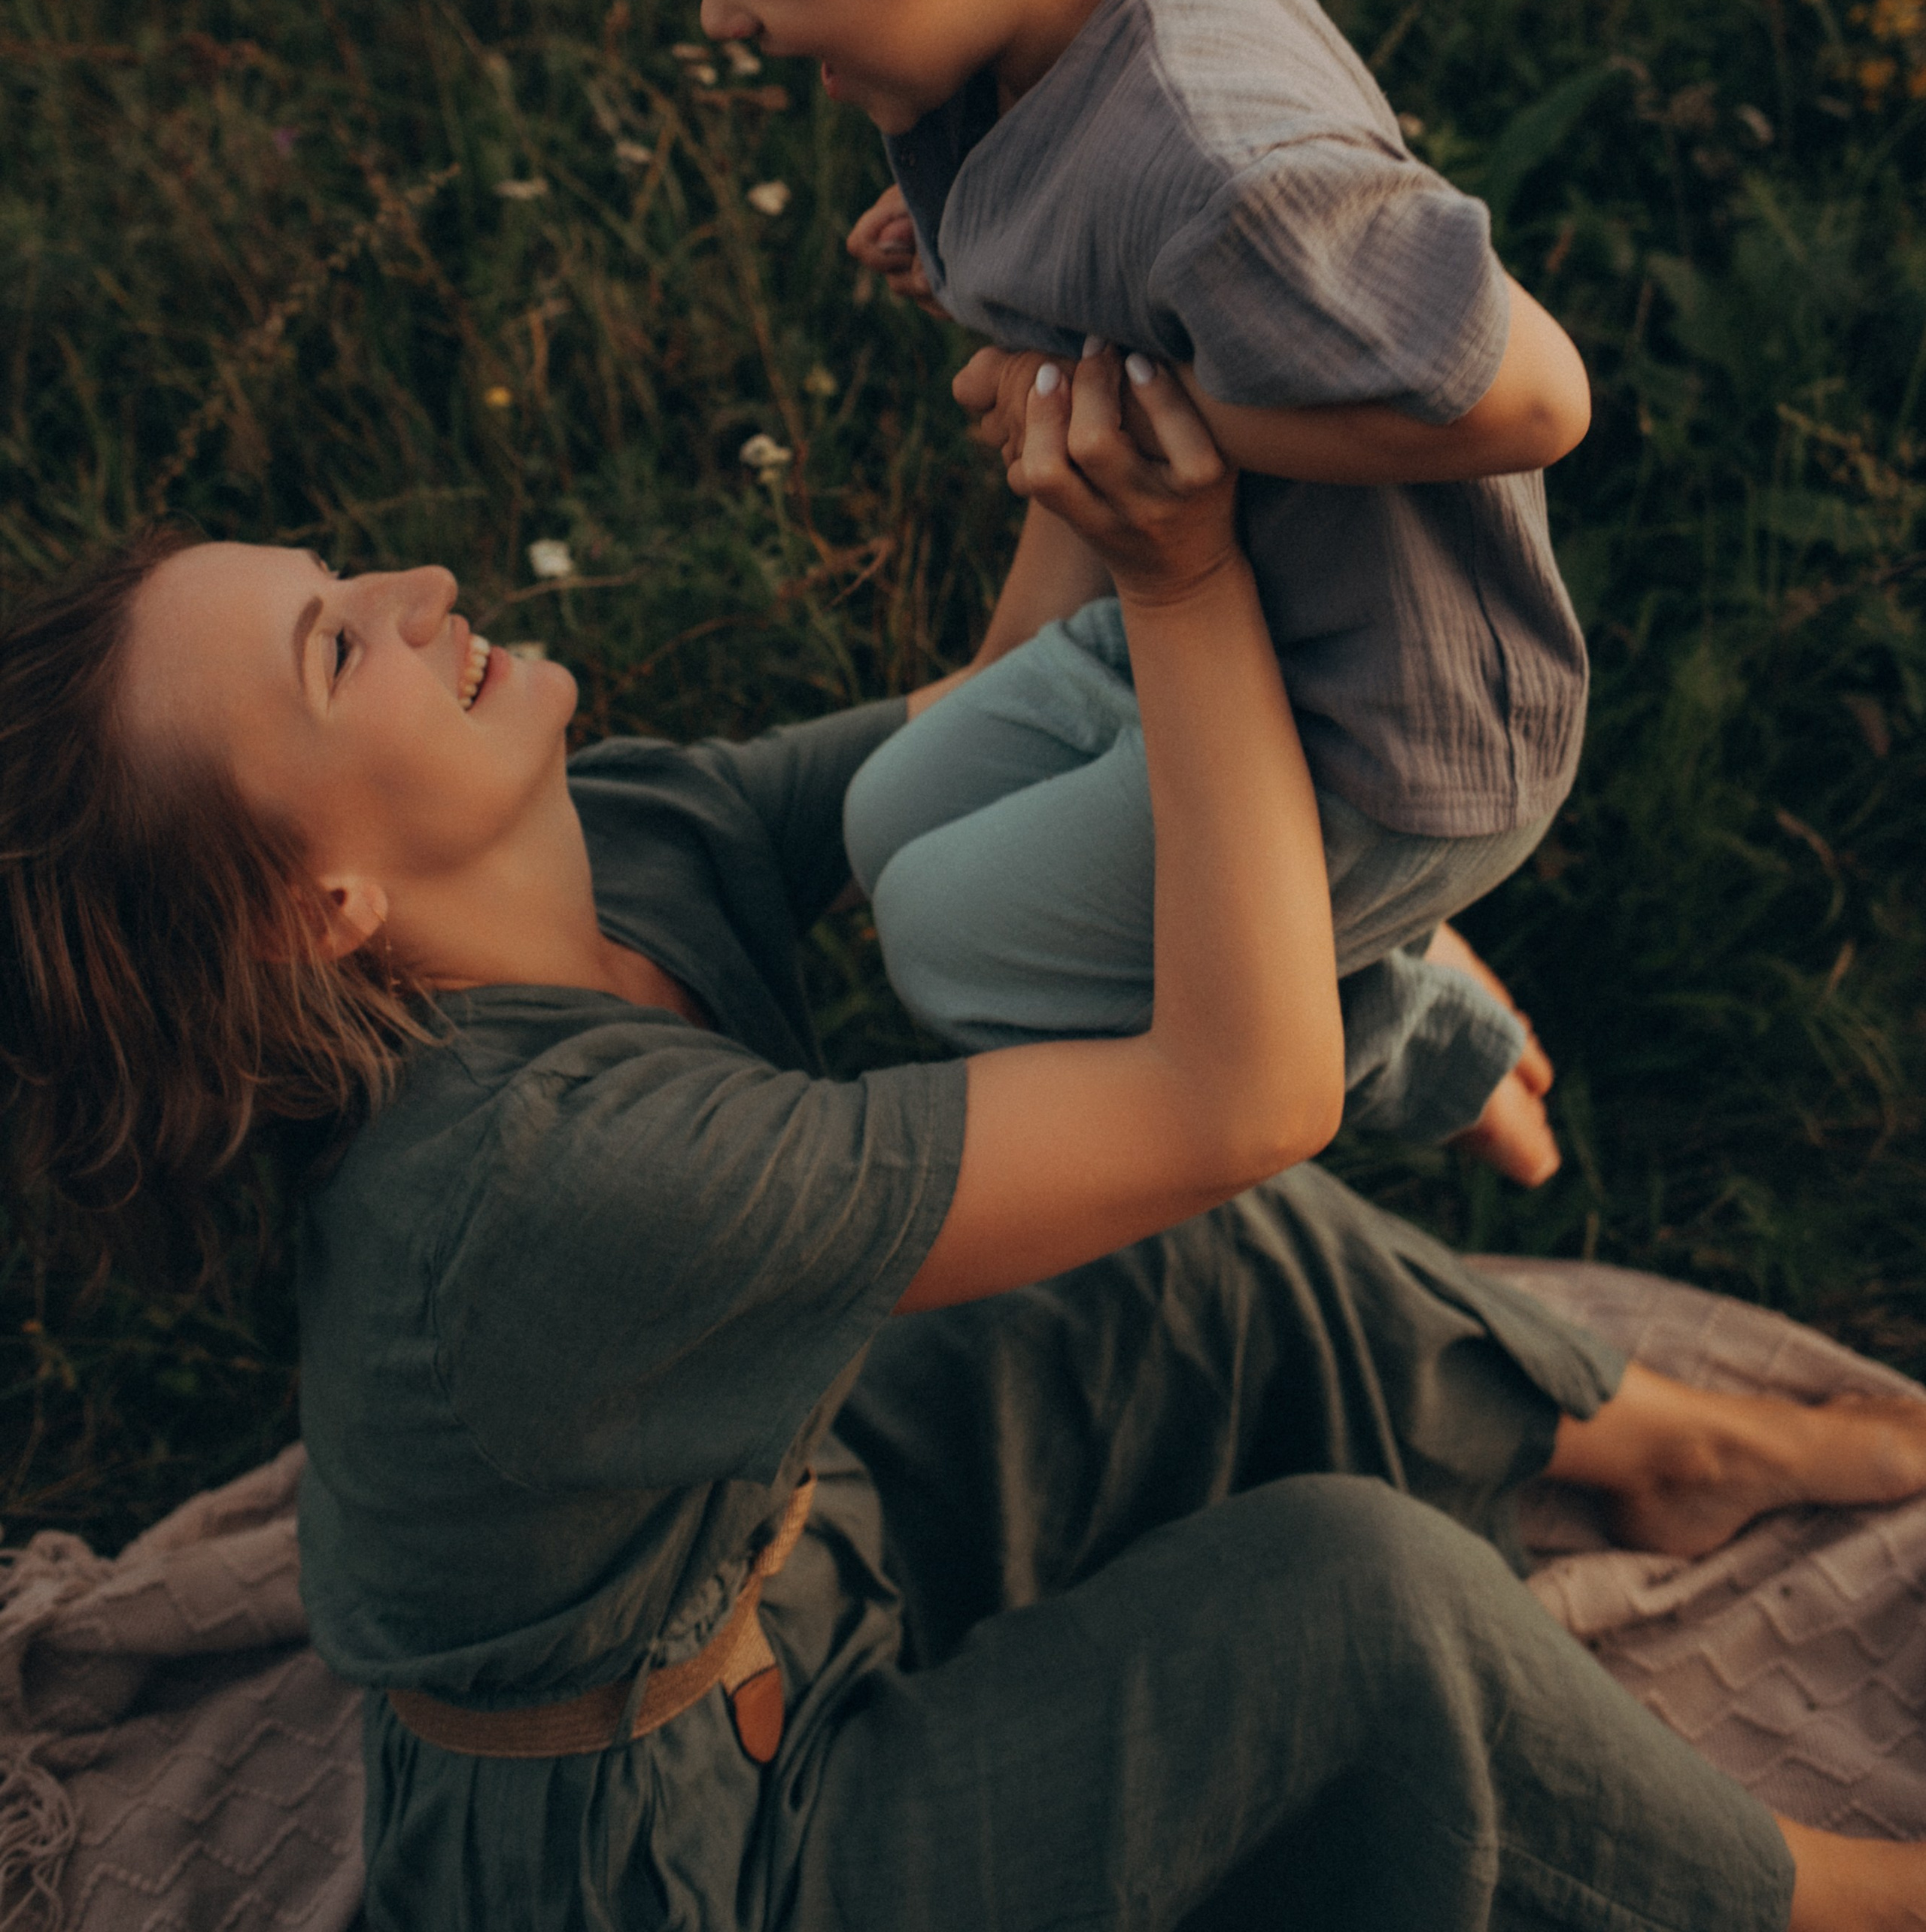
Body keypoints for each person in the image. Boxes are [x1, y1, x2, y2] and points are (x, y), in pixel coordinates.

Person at [4, 353, 1926, 1932]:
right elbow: (1234, 1096)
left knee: (1163, 1258)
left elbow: (975, 729)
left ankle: (1669, 1446)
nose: (415, 595)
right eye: (339, 652)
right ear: (314, 905)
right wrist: (1179, 588)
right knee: (1356, 1603)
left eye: (342, 579)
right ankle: (1825, 1901)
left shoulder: (613, 847)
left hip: (758, 1563)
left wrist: (1074, 425)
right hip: (669, 1867)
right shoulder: (539, 1182)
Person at [557, 0, 1590, 1186]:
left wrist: (1111, 395)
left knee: (961, 946)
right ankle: (1358, 961)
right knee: (889, 819)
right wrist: (985, 246)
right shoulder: (1025, 6)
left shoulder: (1226, 154)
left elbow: (1537, 395)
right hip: (1230, 623)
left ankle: (1385, 1012)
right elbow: (1096, 227)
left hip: (1377, 730)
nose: (724, 19)